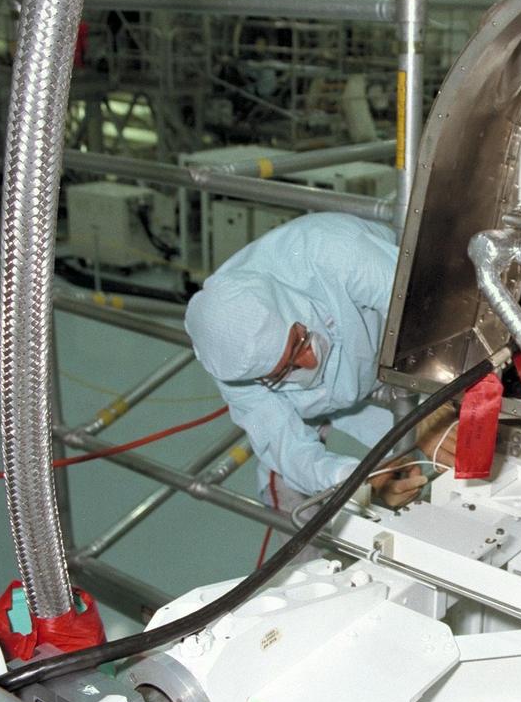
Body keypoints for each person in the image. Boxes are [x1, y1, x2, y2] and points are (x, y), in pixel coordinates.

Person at [184, 212, 454, 511]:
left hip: (394, 349)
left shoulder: (330, 253)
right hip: (328, 401)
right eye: (286, 368)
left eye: (299, 340)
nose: (309, 360)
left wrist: (435, 405)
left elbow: (433, 315)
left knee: (449, 449)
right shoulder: (234, 365)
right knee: (298, 501)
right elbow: (288, 449)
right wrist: (363, 482)